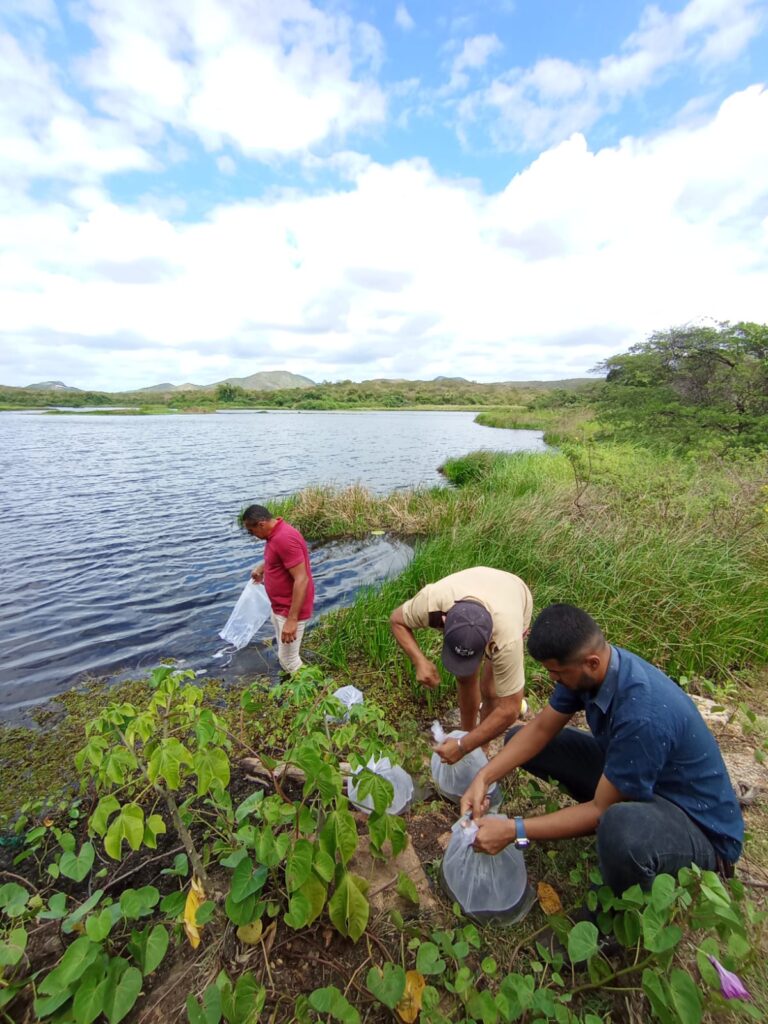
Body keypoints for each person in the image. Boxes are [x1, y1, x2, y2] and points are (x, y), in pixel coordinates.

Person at [461, 604, 744, 894]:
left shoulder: (642, 716)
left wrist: (514, 830)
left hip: (700, 830)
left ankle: (615, 913)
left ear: (592, 663)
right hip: (647, 780)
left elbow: (600, 809)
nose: (553, 679)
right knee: (519, 738)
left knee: (617, 825)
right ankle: (620, 813)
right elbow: (542, 728)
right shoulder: (592, 668)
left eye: (557, 672)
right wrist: (484, 777)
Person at [390, 567, 533, 763]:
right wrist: (419, 661)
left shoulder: (507, 640)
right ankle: (467, 731)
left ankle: (481, 748)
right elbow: (396, 620)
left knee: (490, 690)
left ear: (488, 641)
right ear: (444, 620)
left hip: (514, 593)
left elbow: (510, 709)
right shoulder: (431, 601)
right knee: (465, 678)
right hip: (472, 586)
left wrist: (463, 746)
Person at [241, 504, 314, 675]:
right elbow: (278, 558)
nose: (252, 535)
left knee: (289, 661)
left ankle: (319, 690)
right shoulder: (275, 535)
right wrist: (262, 568)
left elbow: (302, 579)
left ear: (261, 524)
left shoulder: (284, 538)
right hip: (280, 607)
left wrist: (292, 620)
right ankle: (297, 685)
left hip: (290, 609)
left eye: (251, 531)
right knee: (285, 654)